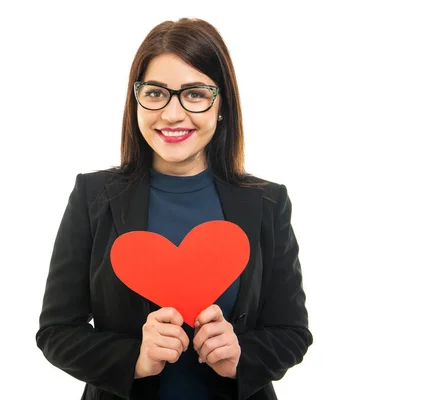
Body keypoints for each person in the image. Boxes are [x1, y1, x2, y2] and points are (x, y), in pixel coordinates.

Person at [36, 17, 312, 400]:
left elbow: (293, 332)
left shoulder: (267, 202)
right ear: (136, 99)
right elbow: (56, 331)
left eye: (195, 94)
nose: (171, 114)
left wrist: (241, 357)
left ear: (222, 104)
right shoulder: (93, 195)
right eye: (155, 93)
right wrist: (134, 358)